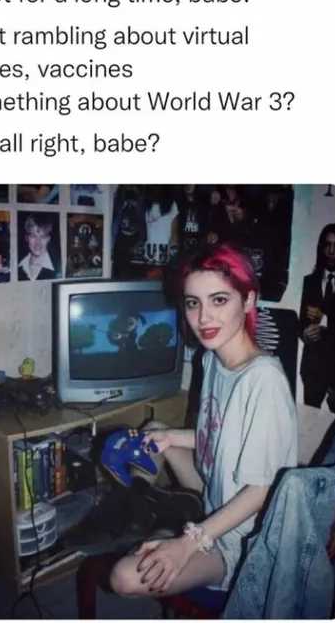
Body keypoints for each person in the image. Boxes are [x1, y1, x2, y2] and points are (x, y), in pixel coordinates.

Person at [110, 243, 297, 597]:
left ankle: (167, 531)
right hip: (213, 494)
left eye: (219, 300)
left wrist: (189, 543)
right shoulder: (212, 359)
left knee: (124, 577)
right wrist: (170, 440)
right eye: (193, 303)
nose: (203, 318)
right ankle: (145, 511)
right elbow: (220, 434)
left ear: (249, 300)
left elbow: (261, 490)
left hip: (242, 536)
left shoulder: (263, 380)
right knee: (154, 434)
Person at [299, 223, 335, 414]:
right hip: (313, 368)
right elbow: (302, 321)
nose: (331, 251)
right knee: (309, 425)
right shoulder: (310, 282)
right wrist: (304, 334)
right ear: (321, 248)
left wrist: (324, 320)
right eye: (327, 245)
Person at [18, 215, 57, 281]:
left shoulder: (57, 267)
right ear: (27, 238)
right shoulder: (18, 266)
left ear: (48, 239)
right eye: (33, 236)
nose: (38, 242)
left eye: (42, 237)